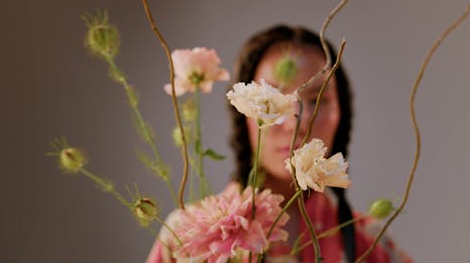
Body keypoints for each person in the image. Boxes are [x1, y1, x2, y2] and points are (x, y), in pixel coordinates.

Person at [148, 25, 412, 263]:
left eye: (317, 100)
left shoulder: (370, 243)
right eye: (271, 100)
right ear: (243, 116)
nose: (296, 121)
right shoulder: (185, 238)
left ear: (341, 116)